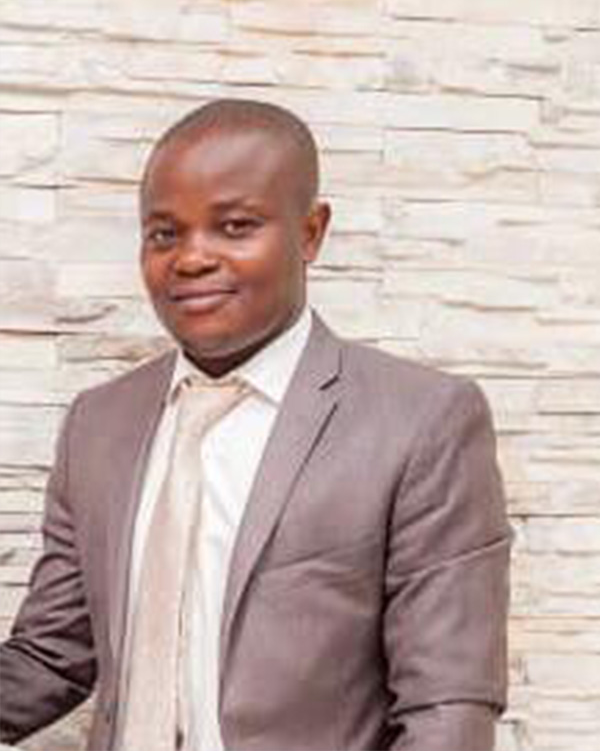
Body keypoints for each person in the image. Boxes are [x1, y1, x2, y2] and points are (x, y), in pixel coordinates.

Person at [0, 98, 511, 751]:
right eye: (164, 234)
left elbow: (447, 711)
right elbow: (52, 656)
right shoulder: (98, 424)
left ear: (311, 232)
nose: (191, 258)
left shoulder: (422, 423)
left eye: (235, 226)